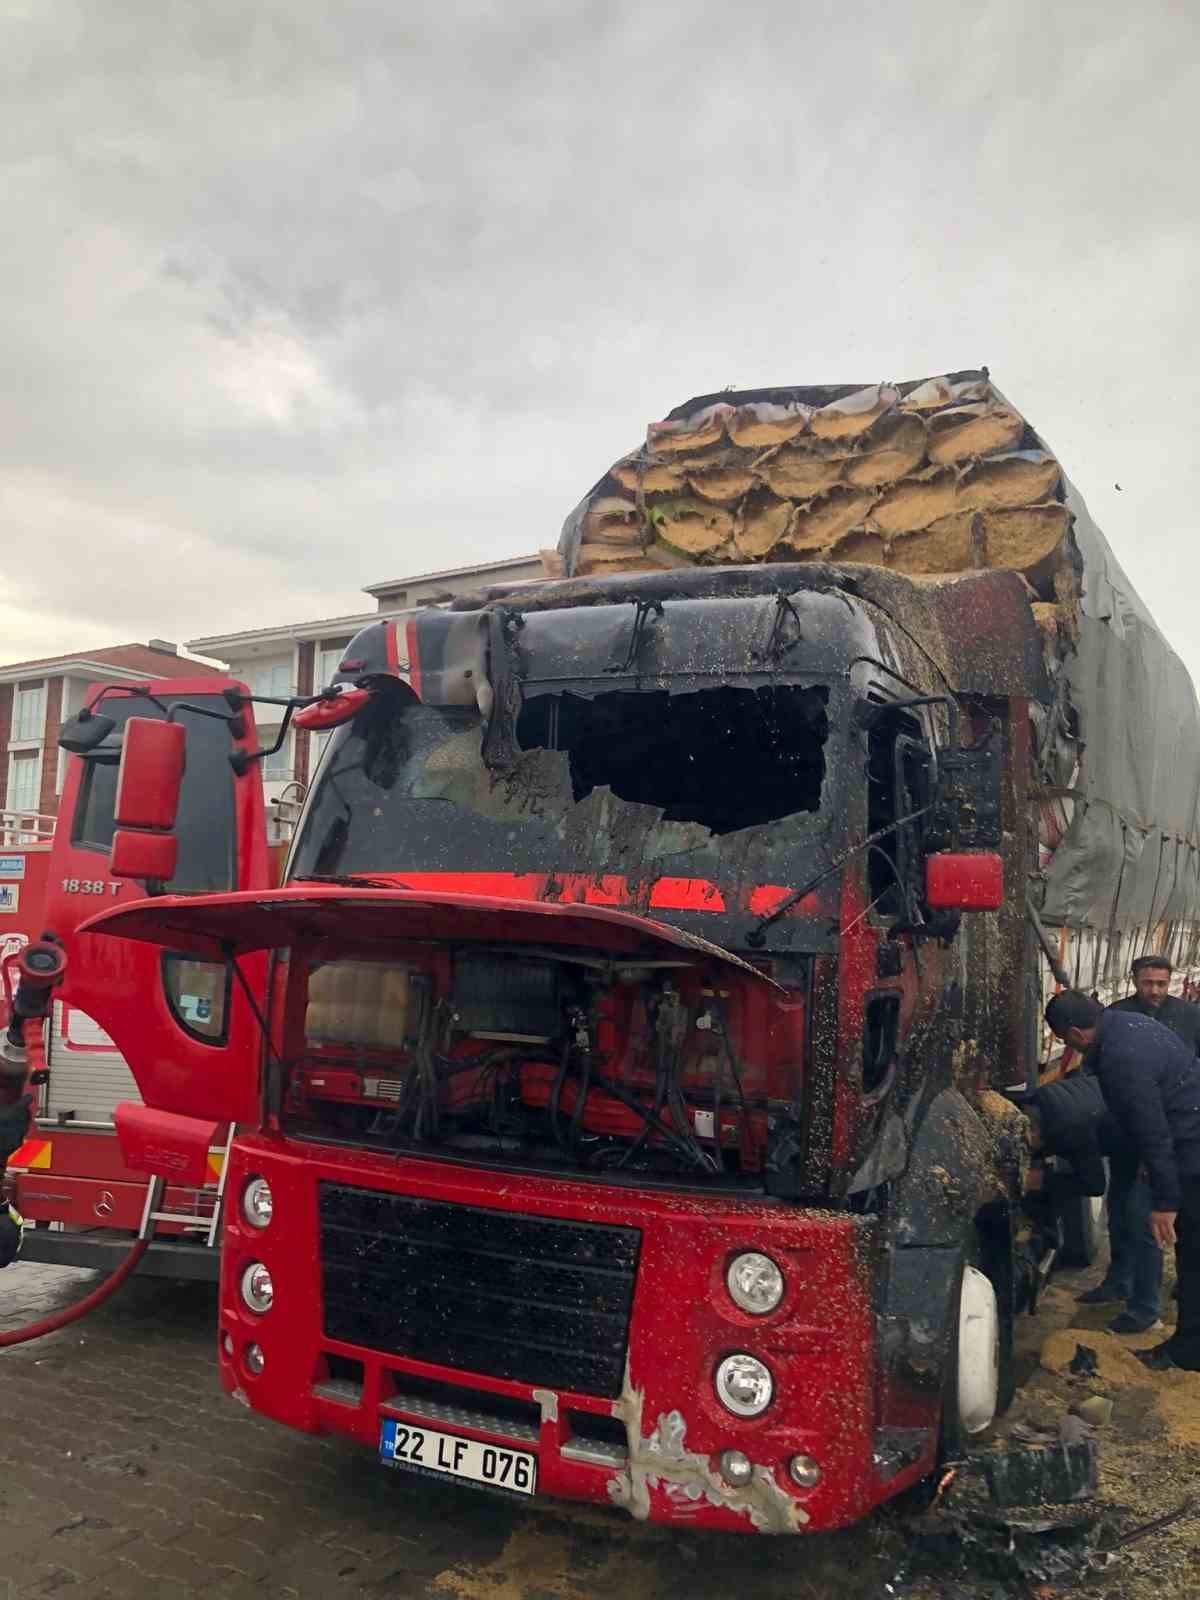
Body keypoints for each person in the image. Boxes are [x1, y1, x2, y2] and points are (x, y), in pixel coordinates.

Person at [1045, 990, 1200, 1371]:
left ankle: (1186, 1350)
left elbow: (1154, 1132)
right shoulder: (1129, 1023)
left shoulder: (1121, 1058)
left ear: (1077, 1033)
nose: (1069, 1047)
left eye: (1065, 1040)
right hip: (1186, 1126)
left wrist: (1165, 1202)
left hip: (1191, 1144)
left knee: (1189, 1251)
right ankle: (1187, 1344)